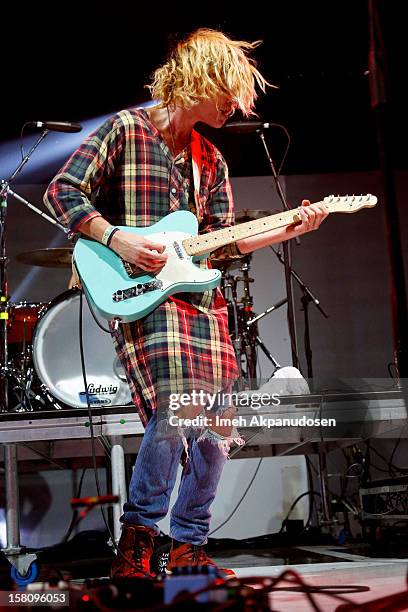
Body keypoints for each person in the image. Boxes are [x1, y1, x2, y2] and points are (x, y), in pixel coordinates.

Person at [43, 28, 328, 579]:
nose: (235, 104)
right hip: (144, 298)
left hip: (201, 303)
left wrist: (288, 227)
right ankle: (140, 537)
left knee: (219, 421)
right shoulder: (126, 131)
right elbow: (63, 192)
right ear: (199, 76)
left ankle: (188, 544)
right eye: (228, 89)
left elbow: (224, 242)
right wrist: (115, 237)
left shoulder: (212, 162)